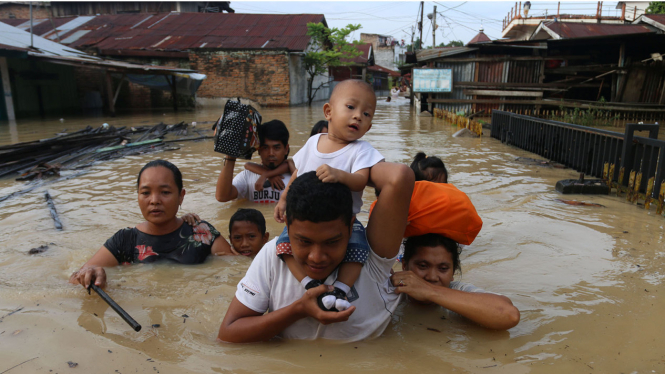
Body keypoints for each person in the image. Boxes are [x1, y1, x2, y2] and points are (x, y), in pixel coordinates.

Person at [218, 163, 414, 342]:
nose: (317, 257)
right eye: (304, 241)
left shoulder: (374, 254)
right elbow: (228, 334)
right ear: (287, 225)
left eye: (332, 242)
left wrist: (347, 172)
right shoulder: (272, 254)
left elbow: (400, 176)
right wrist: (298, 310)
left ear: (351, 226)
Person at [273, 79, 385, 312]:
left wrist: (339, 175)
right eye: (351, 107)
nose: (358, 117)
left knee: (358, 250)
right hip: (306, 219)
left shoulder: (362, 150)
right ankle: (308, 283)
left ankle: (341, 289)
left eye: (367, 114)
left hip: (344, 221)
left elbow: (361, 180)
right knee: (283, 247)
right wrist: (284, 198)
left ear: (369, 125)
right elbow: (297, 174)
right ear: (328, 112)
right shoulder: (314, 142)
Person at [70, 160, 233, 289]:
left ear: (181, 196)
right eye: (146, 193)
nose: (154, 200)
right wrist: (91, 274)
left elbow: (238, 269)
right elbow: (74, 280)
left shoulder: (202, 233)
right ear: (138, 196)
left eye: (165, 192)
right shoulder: (125, 240)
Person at [391, 233, 520, 330]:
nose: (432, 277)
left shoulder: (458, 291)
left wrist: (429, 291)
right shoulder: (391, 291)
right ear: (404, 266)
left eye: (443, 269)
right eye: (423, 266)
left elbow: (509, 315)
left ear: (453, 273)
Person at [215, 120, 292, 204]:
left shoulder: (295, 175)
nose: (271, 153)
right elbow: (222, 197)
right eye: (265, 148)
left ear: (286, 149)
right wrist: (230, 156)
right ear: (258, 150)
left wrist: (266, 175)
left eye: (276, 148)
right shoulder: (247, 176)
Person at [183, 208, 269, 258]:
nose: (244, 244)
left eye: (251, 236)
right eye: (237, 238)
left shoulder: (270, 256)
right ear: (230, 239)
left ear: (265, 238)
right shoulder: (225, 255)